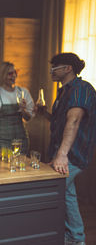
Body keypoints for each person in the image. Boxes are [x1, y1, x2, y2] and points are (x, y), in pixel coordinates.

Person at [36, 53, 96, 245]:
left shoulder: (82, 88)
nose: (52, 70)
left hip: (74, 153)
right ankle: (71, 236)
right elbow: (61, 122)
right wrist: (44, 113)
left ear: (68, 68)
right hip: (61, 152)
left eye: (55, 66)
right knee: (65, 191)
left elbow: (75, 120)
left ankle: (76, 238)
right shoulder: (63, 91)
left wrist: (62, 155)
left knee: (60, 189)